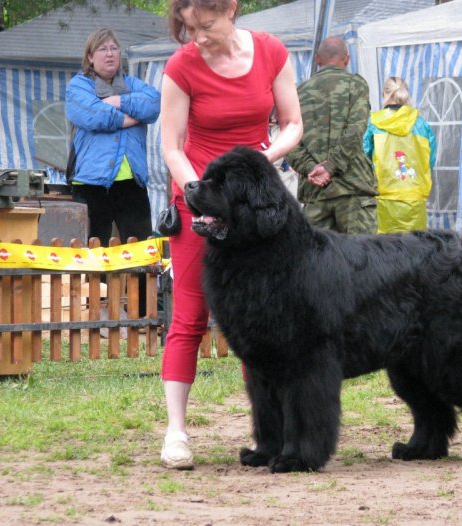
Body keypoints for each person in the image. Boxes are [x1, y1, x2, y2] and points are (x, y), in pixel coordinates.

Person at [159, 0, 303, 470]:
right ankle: (176, 432)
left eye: (206, 26)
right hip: (202, 200)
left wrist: (268, 159)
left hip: (256, 206)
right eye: (188, 28)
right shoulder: (181, 66)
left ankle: (267, 433)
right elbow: (171, 147)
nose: (196, 38)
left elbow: (293, 124)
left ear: (232, 10)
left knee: (259, 319)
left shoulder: (271, 52)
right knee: (189, 317)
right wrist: (198, 194)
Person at [65, 28, 160, 314]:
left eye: (114, 49)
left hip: (132, 181)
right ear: (90, 57)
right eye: (103, 49)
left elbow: (154, 105)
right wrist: (133, 117)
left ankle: (144, 309)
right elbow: (92, 115)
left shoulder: (133, 84)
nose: (109, 54)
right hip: (92, 182)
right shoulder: (78, 87)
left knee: (140, 247)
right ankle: (97, 308)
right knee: (98, 247)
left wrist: (116, 101)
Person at [287, 37, 377, 234]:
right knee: (362, 260)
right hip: (353, 190)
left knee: (316, 262)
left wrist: (312, 168)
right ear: (347, 59)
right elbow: (355, 131)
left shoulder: (298, 93)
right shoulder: (356, 85)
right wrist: (330, 167)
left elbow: (289, 141)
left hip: (315, 193)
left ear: (317, 59)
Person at [363, 76, 437, 233]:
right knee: (417, 249)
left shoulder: (373, 123)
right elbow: (430, 161)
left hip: (384, 198)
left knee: (385, 250)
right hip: (415, 197)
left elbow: (363, 155)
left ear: (384, 94)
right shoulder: (421, 124)